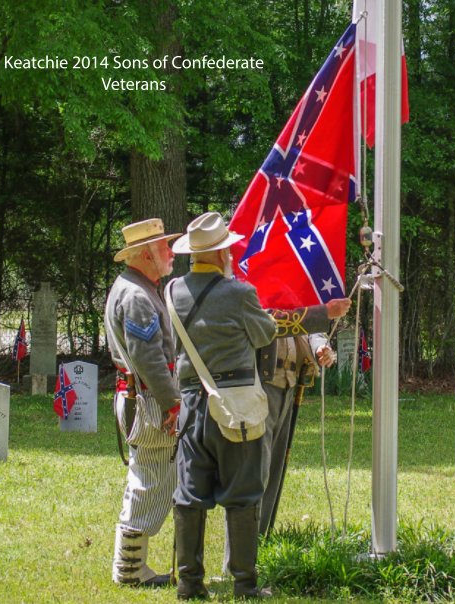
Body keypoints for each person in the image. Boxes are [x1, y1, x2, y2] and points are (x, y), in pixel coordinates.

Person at [167, 211, 350, 600]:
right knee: (245, 494)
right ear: (221, 254)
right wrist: (320, 314)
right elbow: (267, 330)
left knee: (189, 494)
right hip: (236, 405)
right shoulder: (239, 294)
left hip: (189, 404)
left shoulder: (173, 291)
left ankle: (189, 583)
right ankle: (245, 585)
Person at [104, 218, 182, 587]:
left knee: (147, 474)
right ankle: (131, 570)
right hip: (149, 401)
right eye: (164, 247)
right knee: (150, 477)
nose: (170, 253)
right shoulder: (136, 296)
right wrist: (171, 404)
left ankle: (130, 566)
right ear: (147, 254)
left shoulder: (134, 288)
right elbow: (149, 358)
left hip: (141, 396)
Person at [257, 334, 335, 535]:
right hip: (261, 383)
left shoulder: (298, 301)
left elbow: (313, 331)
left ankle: (261, 536)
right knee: (257, 469)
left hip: (288, 384)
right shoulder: (256, 300)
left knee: (275, 466)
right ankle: (246, 546)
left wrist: (321, 347)